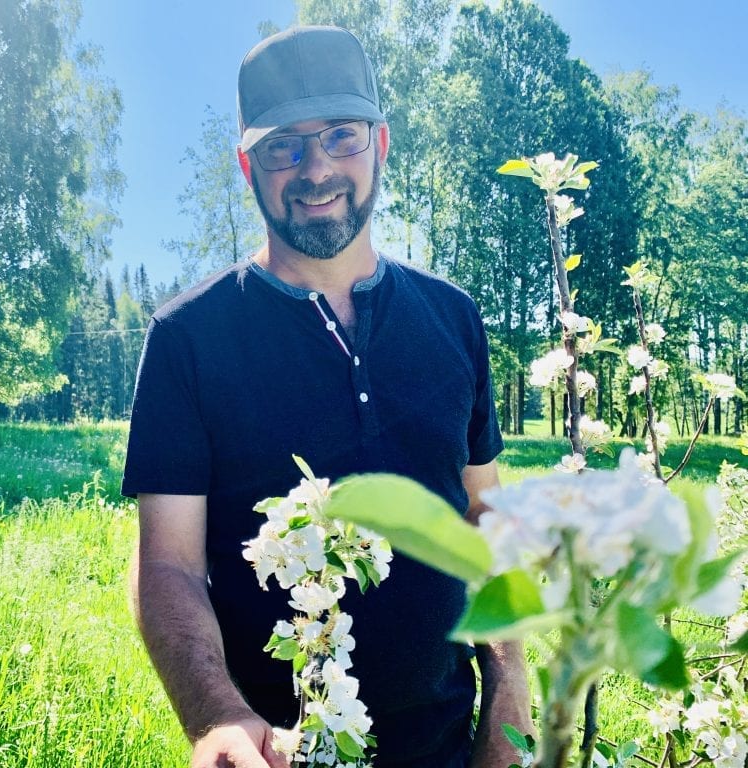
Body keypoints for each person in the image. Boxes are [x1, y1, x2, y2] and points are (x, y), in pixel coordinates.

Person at [123, 25, 532, 768]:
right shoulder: (188, 337)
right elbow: (169, 566)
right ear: (248, 164)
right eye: (285, 145)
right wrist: (217, 717)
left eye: (340, 136)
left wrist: (509, 688)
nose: (315, 169)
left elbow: (484, 517)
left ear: (380, 144)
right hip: (277, 751)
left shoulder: (453, 318)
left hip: (452, 744)